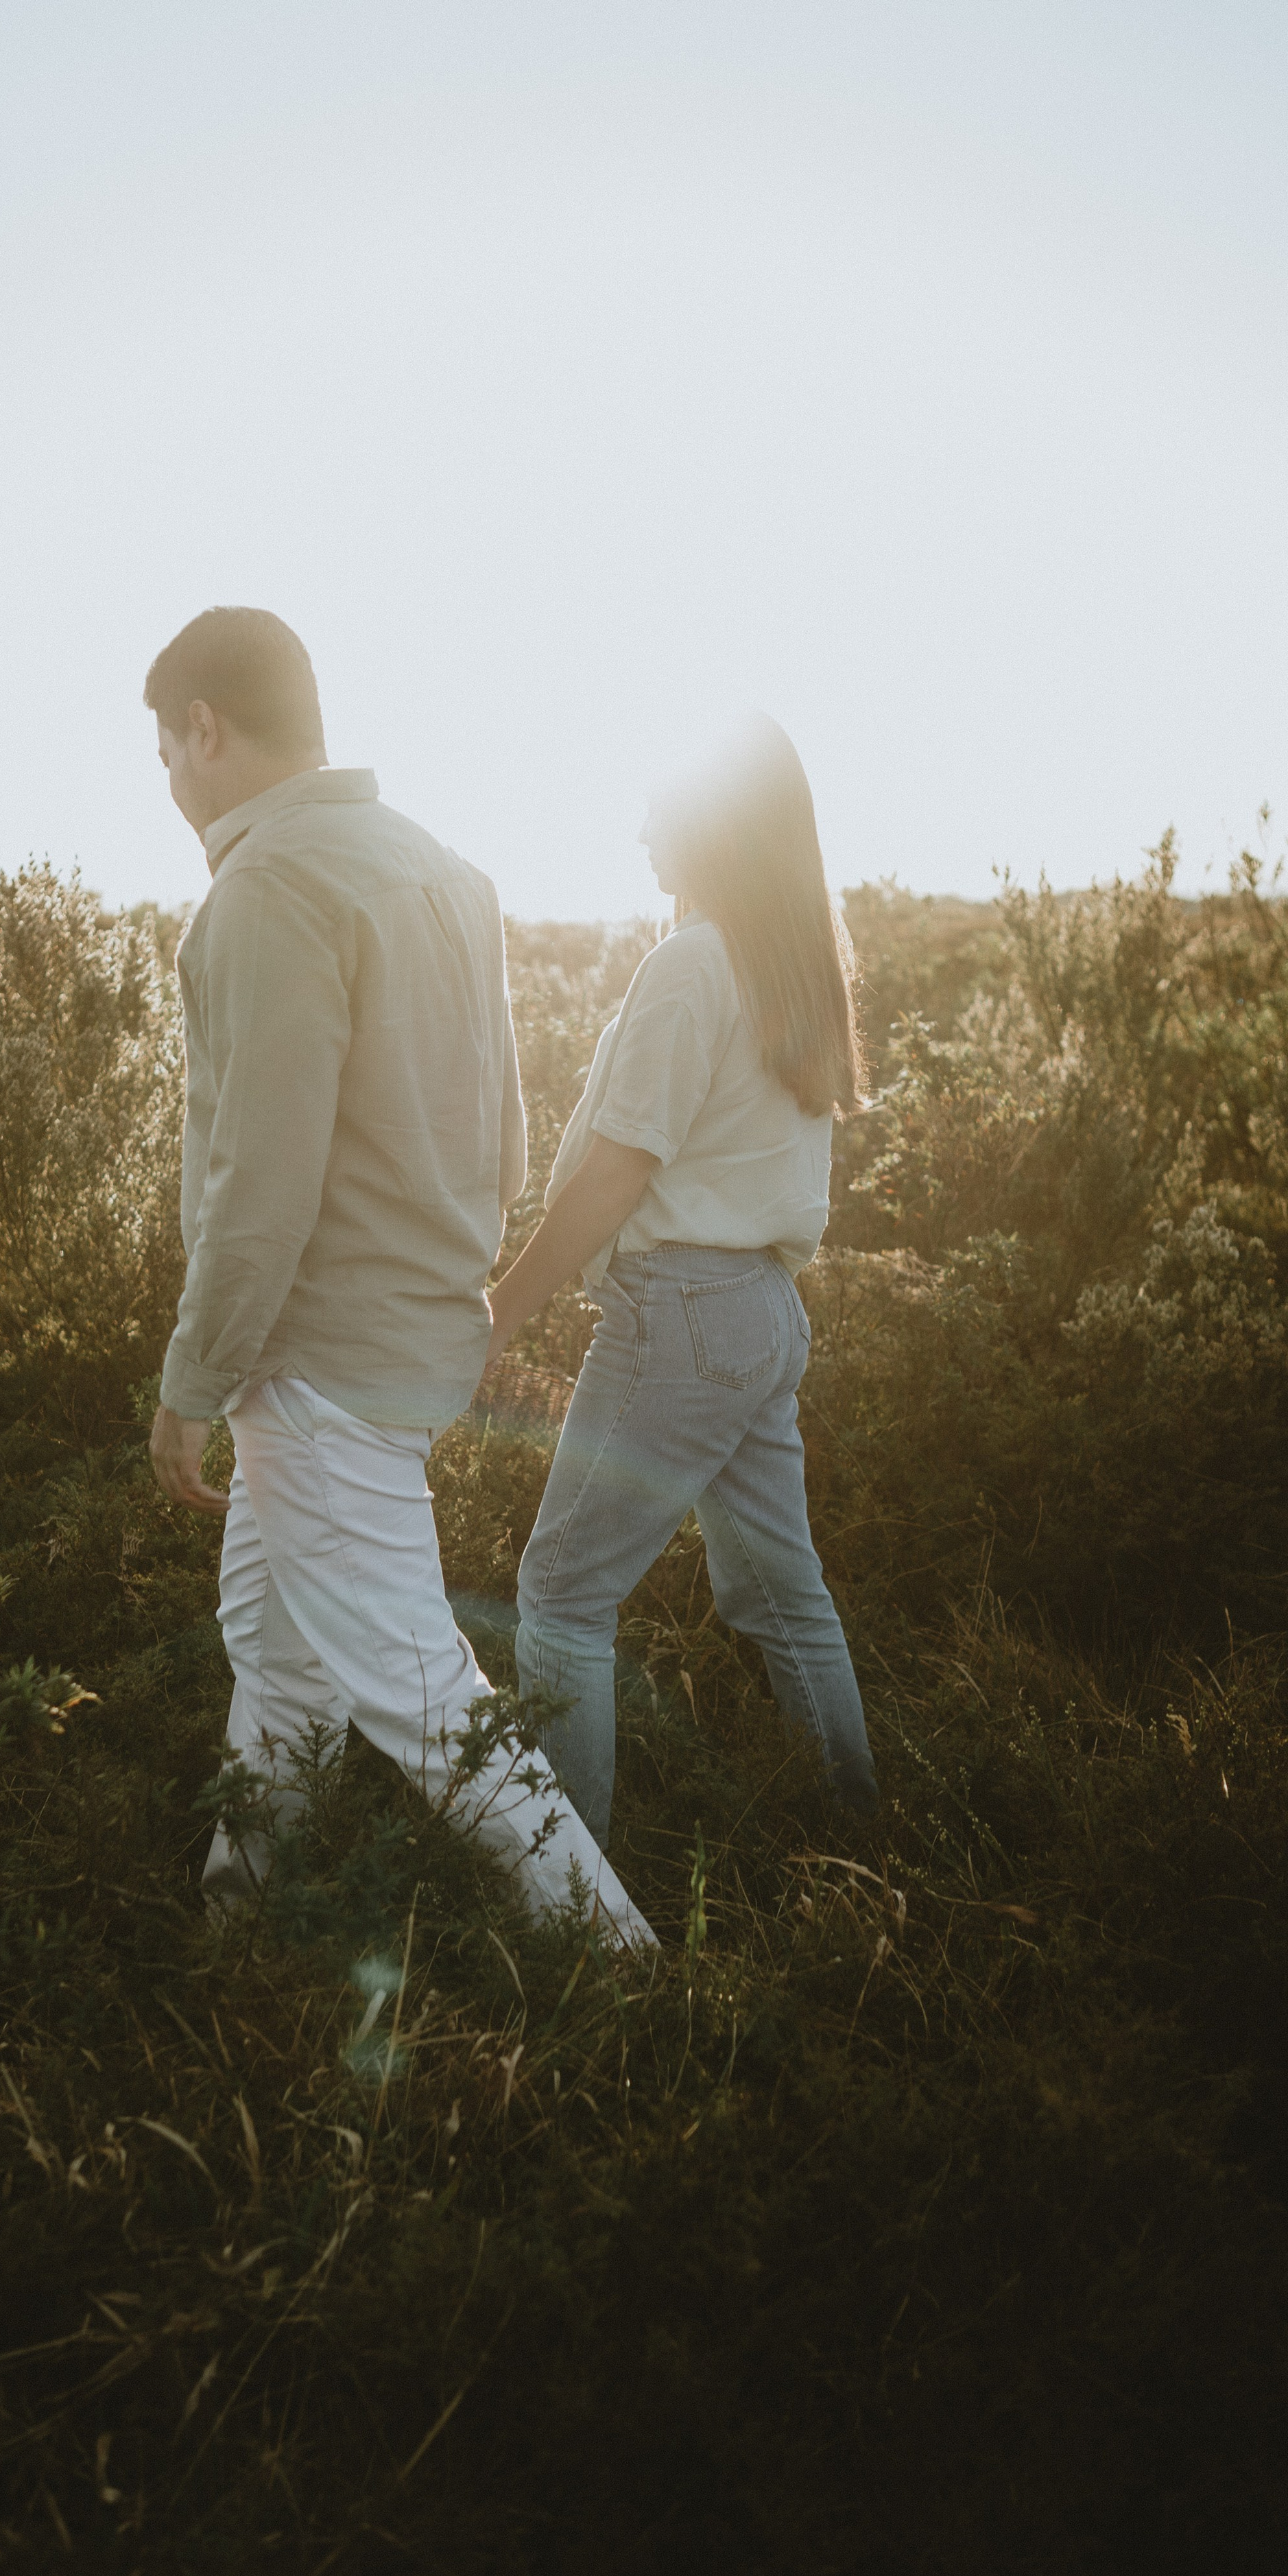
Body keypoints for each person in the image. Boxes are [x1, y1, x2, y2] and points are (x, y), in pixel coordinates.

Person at [142, 605, 656, 1950]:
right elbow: (511, 1130)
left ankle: (631, 1974)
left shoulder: (265, 894)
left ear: (206, 726)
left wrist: (191, 1382)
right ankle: (236, 1926)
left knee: (416, 1692)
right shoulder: (444, 871)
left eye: (164, 746)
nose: (168, 780)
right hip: (409, 1339)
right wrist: (459, 1283)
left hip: (314, 1364)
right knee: (278, 1654)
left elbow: (258, 1185)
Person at [483, 715, 879, 1850]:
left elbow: (616, 1175)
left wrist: (498, 1319)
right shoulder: (789, 960)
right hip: (761, 1316)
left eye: (661, 802)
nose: (642, 822)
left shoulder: (692, 963)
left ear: (714, 821)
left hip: (686, 1320)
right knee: (779, 1593)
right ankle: (862, 1842)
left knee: (561, 1593)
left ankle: (575, 1910)